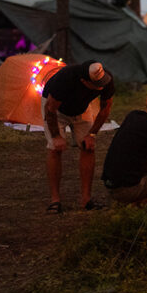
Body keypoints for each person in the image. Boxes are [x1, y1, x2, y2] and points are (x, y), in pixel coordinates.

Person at [40, 60, 115, 214]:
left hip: (81, 108)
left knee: (88, 147)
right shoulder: (64, 80)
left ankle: (86, 199)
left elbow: (105, 109)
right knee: (55, 149)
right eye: (97, 84)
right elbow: (50, 110)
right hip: (56, 110)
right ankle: (55, 200)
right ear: (84, 81)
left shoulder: (106, 79)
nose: (101, 86)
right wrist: (56, 136)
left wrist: (92, 134)